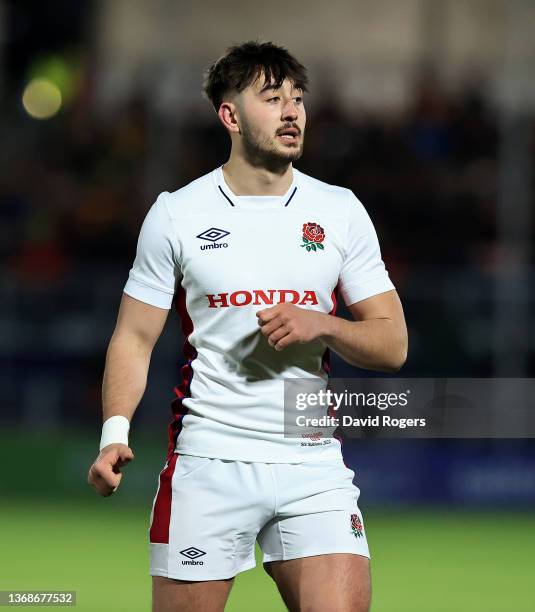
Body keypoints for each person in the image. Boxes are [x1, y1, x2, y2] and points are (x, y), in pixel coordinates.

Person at [87, 40, 408, 612]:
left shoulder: (339, 210)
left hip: (312, 461)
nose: (291, 111)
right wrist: (115, 433)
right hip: (210, 460)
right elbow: (134, 337)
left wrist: (324, 325)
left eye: (298, 98)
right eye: (272, 98)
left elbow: (392, 344)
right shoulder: (177, 214)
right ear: (229, 116)